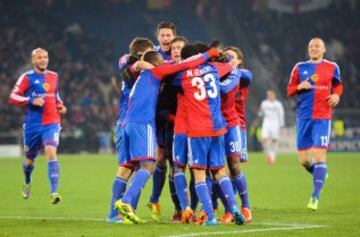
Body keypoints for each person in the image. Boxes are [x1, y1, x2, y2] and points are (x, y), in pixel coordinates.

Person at [114, 48, 220, 224]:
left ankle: (127, 213)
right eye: (162, 63)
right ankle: (125, 201)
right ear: (157, 63)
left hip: (127, 123)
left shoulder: (142, 76)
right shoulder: (156, 71)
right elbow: (187, 64)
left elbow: (142, 65)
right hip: (142, 123)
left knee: (133, 167)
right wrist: (209, 54)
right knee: (149, 166)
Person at [173, 45, 245, 226]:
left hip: (197, 129)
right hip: (218, 128)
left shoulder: (181, 76)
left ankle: (211, 218)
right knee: (220, 171)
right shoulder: (213, 68)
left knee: (199, 174)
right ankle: (234, 208)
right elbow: (231, 66)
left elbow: (167, 75)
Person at [287, 37, 343, 210]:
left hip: (322, 117)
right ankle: (320, 173)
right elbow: (289, 90)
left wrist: (336, 96)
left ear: (324, 49)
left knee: (319, 157)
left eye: (317, 46)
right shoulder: (299, 67)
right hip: (303, 117)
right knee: (304, 161)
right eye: (311, 46)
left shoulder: (332, 67)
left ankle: (314, 197)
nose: (314, 49)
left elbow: (338, 85)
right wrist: (299, 87)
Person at [8, 48, 67, 204]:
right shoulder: (27, 77)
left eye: (45, 57)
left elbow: (55, 95)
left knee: (51, 151)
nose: (43, 60)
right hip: (33, 126)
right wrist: (30, 100)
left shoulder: (54, 76)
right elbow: (13, 96)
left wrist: (60, 105)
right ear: (33, 60)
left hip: (52, 123)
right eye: (39, 57)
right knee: (29, 161)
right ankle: (27, 181)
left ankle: (54, 192)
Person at [107, 37, 154, 223]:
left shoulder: (127, 64)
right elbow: (128, 61)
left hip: (123, 122)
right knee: (146, 165)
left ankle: (114, 214)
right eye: (150, 52)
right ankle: (126, 206)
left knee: (126, 169)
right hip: (136, 120)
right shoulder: (133, 65)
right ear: (142, 53)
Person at [215, 46, 253, 223]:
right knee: (218, 168)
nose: (227, 58)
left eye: (232, 57)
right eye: (225, 56)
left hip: (234, 125)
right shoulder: (216, 73)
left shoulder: (241, 76)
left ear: (239, 61)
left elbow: (248, 75)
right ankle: (229, 208)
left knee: (235, 166)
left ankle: (245, 206)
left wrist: (232, 67)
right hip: (214, 125)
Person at [148, 21, 178, 220]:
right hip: (160, 115)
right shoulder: (152, 57)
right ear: (157, 37)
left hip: (179, 116)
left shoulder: (180, 54)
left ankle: (179, 208)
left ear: (174, 36)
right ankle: (155, 200)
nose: (166, 39)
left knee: (177, 163)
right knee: (160, 158)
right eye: (163, 35)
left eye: (169, 35)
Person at [258, 90, 285, 163]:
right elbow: (260, 114)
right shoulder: (264, 103)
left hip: (275, 123)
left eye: (270, 95)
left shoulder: (278, 104)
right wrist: (260, 111)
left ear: (273, 95)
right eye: (268, 95)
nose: (269, 96)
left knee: (274, 140)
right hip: (266, 122)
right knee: (264, 139)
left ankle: (273, 157)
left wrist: (281, 125)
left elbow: (281, 114)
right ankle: (269, 155)